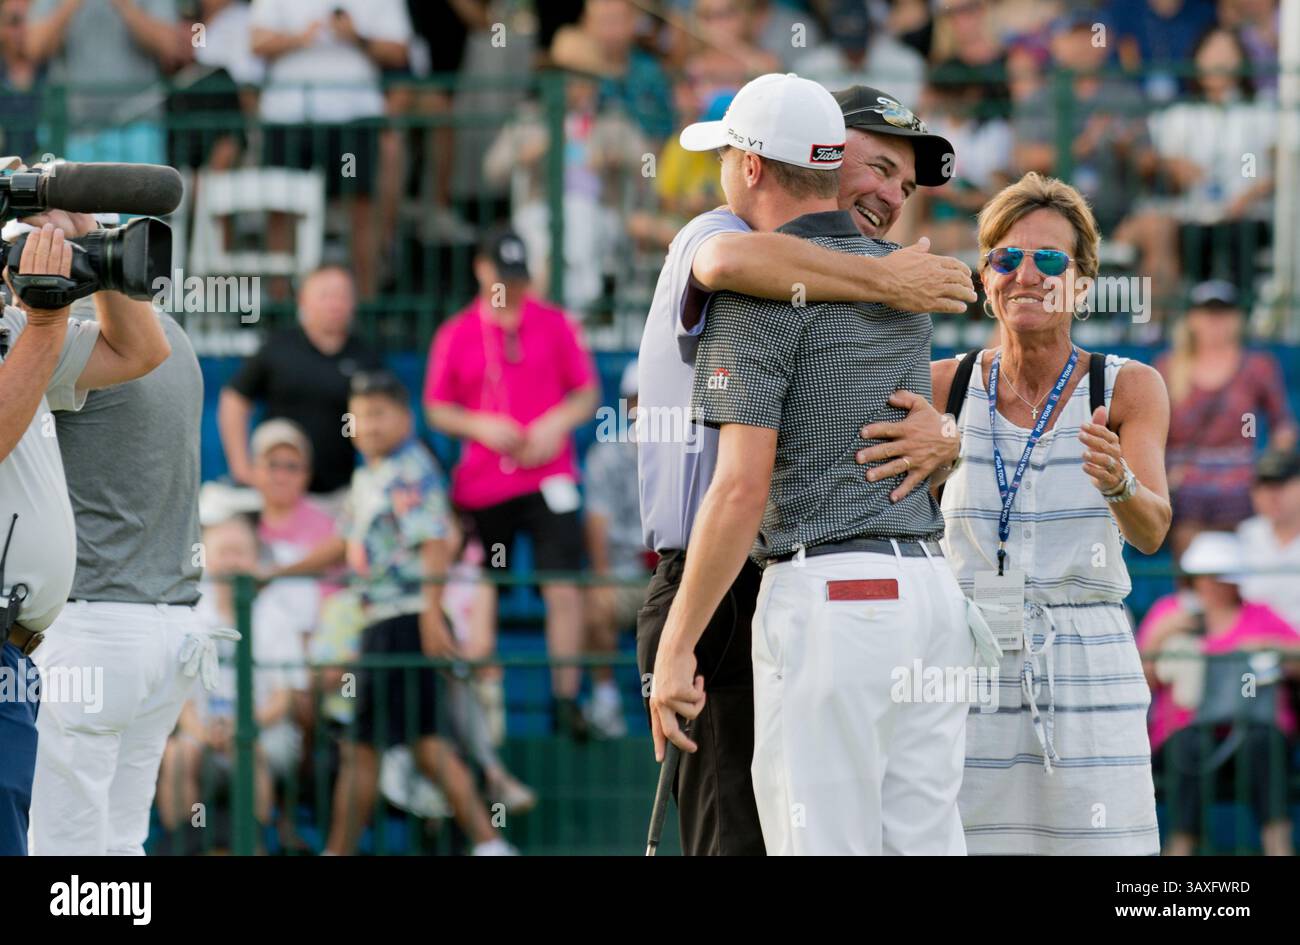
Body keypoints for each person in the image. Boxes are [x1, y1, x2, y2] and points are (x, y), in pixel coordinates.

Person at [636, 78, 974, 855]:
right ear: (833, 154)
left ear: (750, 164)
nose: (894, 193)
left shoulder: (771, 290)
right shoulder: (892, 276)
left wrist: (677, 643)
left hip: (797, 583)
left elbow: (743, 485)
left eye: (905, 182)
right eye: (882, 167)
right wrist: (889, 278)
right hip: (913, 593)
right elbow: (727, 259)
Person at [915, 172, 1173, 854]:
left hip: (1090, 671)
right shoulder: (946, 383)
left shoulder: (1127, 386)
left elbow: (1153, 529)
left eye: (1050, 260)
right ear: (984, 274)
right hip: (969, 668)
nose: (1026, 273)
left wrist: (1119, 483)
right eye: (1007, 257)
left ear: (1083, 282)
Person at [26, 229, 219, 856]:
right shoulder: (174, 336)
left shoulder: (58, 337)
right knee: (118, 846)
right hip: (171, 630)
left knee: (64, 855)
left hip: (93, 627)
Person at [0, 218, 171, 855]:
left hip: (16, 656)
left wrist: (99, 249)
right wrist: (44, 325)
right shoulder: (29, 333)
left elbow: (139, 351)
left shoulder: (13, 333)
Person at [292, 370, 515, 855]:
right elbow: (343, 543)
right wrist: (281, 571)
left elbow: (435, 540)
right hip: (380, 622)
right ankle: (487, 845)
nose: (368, 425)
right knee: (402, 744)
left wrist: (431, 615)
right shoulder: (369, 475)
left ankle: (487, 844)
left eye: (379, 414)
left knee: (393, 746)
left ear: (404, 417)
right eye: (360, 415)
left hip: (405, 620)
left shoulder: (411, 469)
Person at [424, 229, 599, 738]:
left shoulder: (554, 323)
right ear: (482, 270)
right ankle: (484, 705)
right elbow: (436, 407)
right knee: (482, 589)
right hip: (484, 483)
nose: (512, 289)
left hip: (549, 476)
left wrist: (554, 424)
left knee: (564, 586)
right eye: (504, 278)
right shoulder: (456, 333)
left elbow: (586, 392)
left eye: (518, 279)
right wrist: (480, 425)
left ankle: (567, 700)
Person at [1138, 531, 1300, 856]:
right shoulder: (1169, 613)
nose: (1211, 585)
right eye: (1205, 577)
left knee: (1264, 743)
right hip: (1186, 734)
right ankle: (1180, 846)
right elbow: (1141, 679)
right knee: (1187, 745)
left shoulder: (1260, 616)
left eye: (1219, 577)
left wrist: (1272, 649)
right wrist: (1159, 637)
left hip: (1254, 730)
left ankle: (1277, 846)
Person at [249, 0, 411, 298]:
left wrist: (356, 37)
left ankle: (364, 311)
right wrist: (299, 37)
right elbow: (256, 42)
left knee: (362, 208)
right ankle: (282, 312)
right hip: (288, 114)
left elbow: (401, 51)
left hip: (354, 115)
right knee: (281, 210)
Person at [219, 265, 383, 502]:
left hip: (339, 493)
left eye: (342, 295)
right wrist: (241, 467)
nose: (334, 304)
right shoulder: (278, 348)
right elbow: (234, 400)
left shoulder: (366, 356)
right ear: (303, 301)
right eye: (325, 295)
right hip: (279, 495)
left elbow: (382, 415)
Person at [1157, 279, 1296, 556]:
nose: (1215, 323)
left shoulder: (1257, 367)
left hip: (1240, 478)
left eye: (1223, 315)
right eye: (1208, 315)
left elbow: (1282, 426)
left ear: (1237, 320)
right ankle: (1191, 592)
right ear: (1192, 320)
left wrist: (1270, 469)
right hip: (1184, 480)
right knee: (1186, 532)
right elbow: (1154, 429)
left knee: (1241, 538)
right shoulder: (1168, 368)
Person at [26, 0, 183, 163]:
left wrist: (125, 6)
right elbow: (34, 48)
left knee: (142, 188)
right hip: (74, 131)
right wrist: (69, 5)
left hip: (138, 126)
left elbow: (170, 46)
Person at [581, 360, 645, 739]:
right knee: (596, 599)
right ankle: (605, 700)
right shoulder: (606, 455)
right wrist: (603, 576)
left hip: (674, 574)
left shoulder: (689, 448)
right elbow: (597, 521)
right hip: (626, 572)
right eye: (637, 398)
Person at [1238, 448, 1300, 630]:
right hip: (1254, 646)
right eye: (1263, 488)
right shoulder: (1245, 535)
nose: (1272, 496)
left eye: (1280, 486)